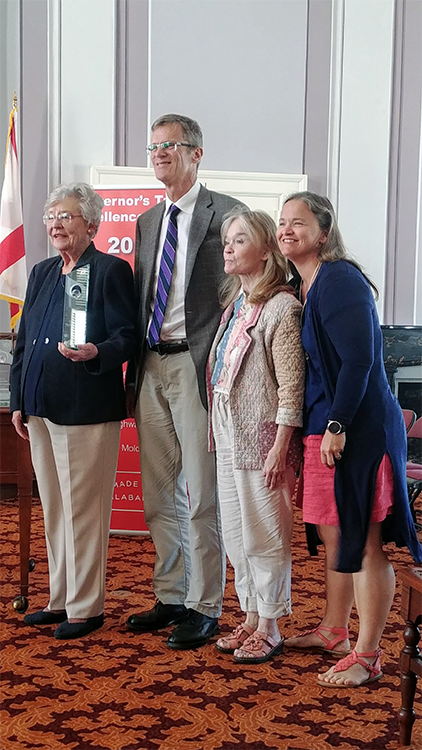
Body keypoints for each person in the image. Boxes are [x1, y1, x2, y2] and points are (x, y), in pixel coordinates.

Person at [276, 191, 422, 687]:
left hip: (358, 430)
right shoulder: (309, 284)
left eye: (298, 222)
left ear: (324, 231)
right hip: (330, 427)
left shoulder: (340, 279)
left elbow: (361, 360)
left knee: (364, 543)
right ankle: (335, 631)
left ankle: (368, 654)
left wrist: (336, 425)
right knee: (337, 535)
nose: (287, 230)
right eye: (282, 223)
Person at [125, 114, 245, 649]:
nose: (159, 154)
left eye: (169, 146)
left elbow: (242, 289)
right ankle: (172, 594)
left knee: (201, 496)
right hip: (149, 364)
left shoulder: (228, 214)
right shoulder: (148, 220)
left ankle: (206, 605)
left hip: (196, 368)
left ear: (197, 153)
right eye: (153, 147)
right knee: (158, 494)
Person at [10, 182, 137, 639]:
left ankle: (87, 607)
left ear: (93, 225)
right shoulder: (44, 271)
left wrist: (96, 352)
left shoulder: (109, 270)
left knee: (83, 511)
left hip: (85, 409)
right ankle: (59, 599)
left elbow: (128, 336)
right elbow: (25, 341)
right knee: (56, 510)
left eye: (66, 216)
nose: (56, 223)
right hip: (41, 407)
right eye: (51, 215)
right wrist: (19, 400)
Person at [207, 207, 304, 664]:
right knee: (235, 532)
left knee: (265, 534)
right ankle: (249, 615)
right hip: (227, 433)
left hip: (262, 439)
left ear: (266, 250)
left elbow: (292, 388)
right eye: (227, 238)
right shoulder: (237, 306)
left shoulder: (283, 306)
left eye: (240, 239)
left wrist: (280, 448)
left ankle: (270, 625)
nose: (228, 246)